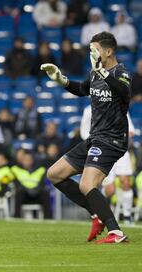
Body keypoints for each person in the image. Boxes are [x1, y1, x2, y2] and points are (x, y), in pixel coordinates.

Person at [40, 32, 130, 243]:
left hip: (112, 140)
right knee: (54, 174)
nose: (91, 53)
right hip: (95, 138)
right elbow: (82, 90)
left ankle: (115, 232)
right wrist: (61, 80)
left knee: (86, 184)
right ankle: (96, 213)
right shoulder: (95, 73)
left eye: (95, 49)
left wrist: (104, 73)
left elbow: (124, 92)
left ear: (108, 51)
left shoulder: (121, 72)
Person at [81, 105, 135, 224]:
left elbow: (131, 130)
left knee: (125, 181)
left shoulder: (120, 107)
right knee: (110, 190)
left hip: (120, 149)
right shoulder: (88, 110)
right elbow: (83, 132)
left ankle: (127, 216)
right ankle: (103, 212)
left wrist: (125, 134)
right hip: (103, 152)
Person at [12, 151, 51, 218]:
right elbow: (16, 184)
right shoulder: (16, 169)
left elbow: (42, 184)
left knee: (45, 193)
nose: (27, 162)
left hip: (37, 195)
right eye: (25, 160)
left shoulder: (40, 170)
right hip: (24, 196)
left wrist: (35, 190)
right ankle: (17, 218)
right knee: (19, 192)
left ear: (32, 160)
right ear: (22, 161)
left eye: (28, 160)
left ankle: (48, 219)